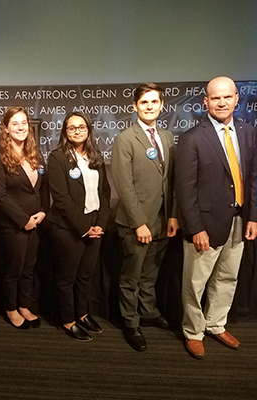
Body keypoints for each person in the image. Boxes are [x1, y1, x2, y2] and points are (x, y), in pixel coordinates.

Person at [176, 76, 257, 359]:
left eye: (227, 97)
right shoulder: (191, 139)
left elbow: (254, 178)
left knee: (227, 278)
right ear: (205, 102)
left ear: (236, 99)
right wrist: (195, 227)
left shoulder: (249, 133)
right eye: (215, 98)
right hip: (206, 226)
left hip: (238, 220)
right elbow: (184, 190)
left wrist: (253, 217)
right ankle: (193, 331)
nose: (222, 102)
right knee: (195, 283)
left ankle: (215, 323)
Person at [111, 83, 178, 352]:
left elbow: (172, 181)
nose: (149, 106)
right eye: (144, 102)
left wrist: (173, 216)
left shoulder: (168, 136)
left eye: (154, 102)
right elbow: (123, 186)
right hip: (135, 223)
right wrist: (139, 223)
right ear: (135, 106)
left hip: (163, 221)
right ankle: (131, 321)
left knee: (150, 274)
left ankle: (148, 311)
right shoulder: (125, 138)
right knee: (131, 276)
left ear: (162, 105)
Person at [47, 111, 110, 342]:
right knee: (67, 278)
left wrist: (100, 224)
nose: (76, 131)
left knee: (85, 276)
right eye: (71, 127)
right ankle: (67, 319)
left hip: (95, 226)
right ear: (65, 131)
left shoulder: (96, 156)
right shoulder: (58, 158)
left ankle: (82, 314)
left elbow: (105, 192)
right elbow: (61, 199)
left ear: (88, 130)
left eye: (81, 127)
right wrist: (85, 228)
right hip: (68, 229)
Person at [0, 106, 49, 329]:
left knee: (28, 267)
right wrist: (24, 220)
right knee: (14, 269)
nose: (21, 127)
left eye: (24, 123)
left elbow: (42, 188)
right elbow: (0, 196)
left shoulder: (35, 154)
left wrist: (43, 210)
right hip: (14, 225)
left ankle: (24, 304)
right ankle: (11, 309)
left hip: (37, 222)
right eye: (15, 123)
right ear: (5, 128)